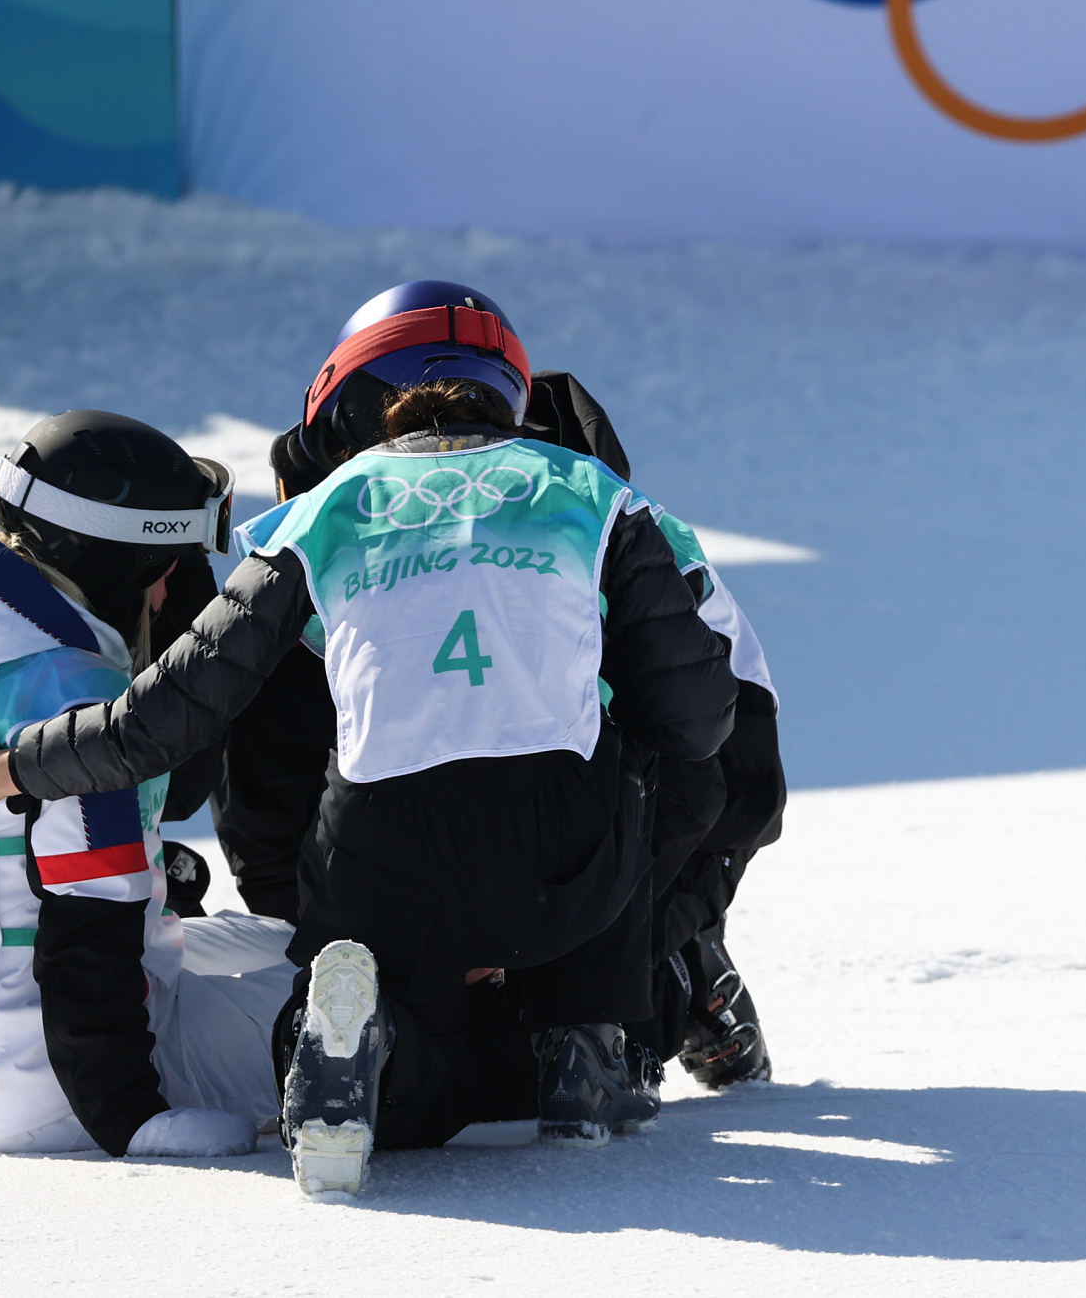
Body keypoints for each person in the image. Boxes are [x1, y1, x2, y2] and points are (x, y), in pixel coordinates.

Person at [0, 284, 740, 1197]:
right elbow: (700, 719)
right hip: (569, 865)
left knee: (393, 995)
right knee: (630, 751)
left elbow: (165, 720)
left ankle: (358, 1028)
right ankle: (589, 1039)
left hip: (383, 871)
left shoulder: (320, 511)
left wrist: (9, 767)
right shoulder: (595, 491)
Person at [219, 358, 787, 1092]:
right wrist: (392, 945)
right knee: (444, 1069)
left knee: (587, 1021)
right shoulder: (320, 546)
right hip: (413, 904)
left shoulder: (606, 520)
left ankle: (672, 987)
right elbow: (264, 814)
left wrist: (657, 930)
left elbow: (729, 769)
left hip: (586, 898)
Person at [0, 411, 294, 1159]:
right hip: (60, 1081)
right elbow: (90, 926)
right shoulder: (77, 694)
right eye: (162, 573)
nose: (167, 600)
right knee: (354, 1002)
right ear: (121, 568)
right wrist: (130, 1114)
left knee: (292, 944)